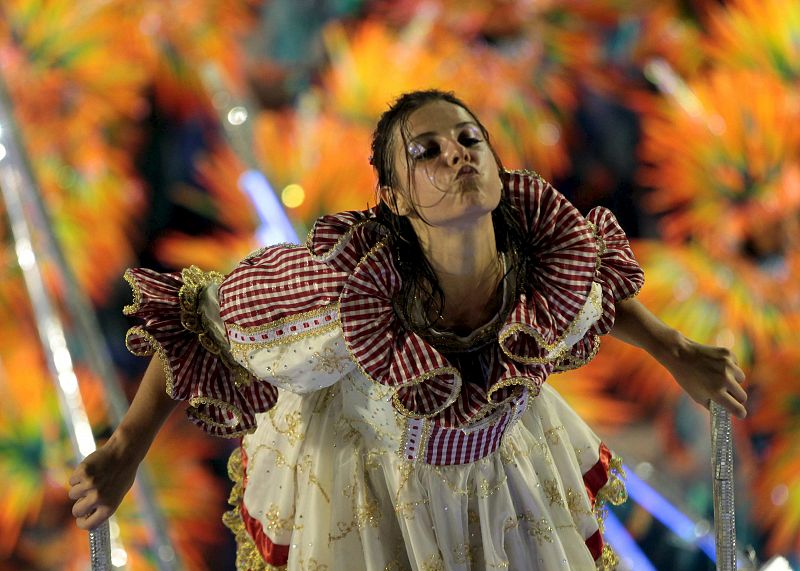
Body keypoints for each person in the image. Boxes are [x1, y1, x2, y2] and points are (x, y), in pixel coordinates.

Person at [69, 90, 747, 570]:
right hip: (379, 503)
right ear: (393, 198)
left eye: (468, 138)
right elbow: (203, 325)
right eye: (426, 150)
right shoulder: (347, 292)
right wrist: (127, 444)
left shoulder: (543, 258)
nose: (457, 155)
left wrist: (676, 347)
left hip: (503, 489)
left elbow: (595, 298)